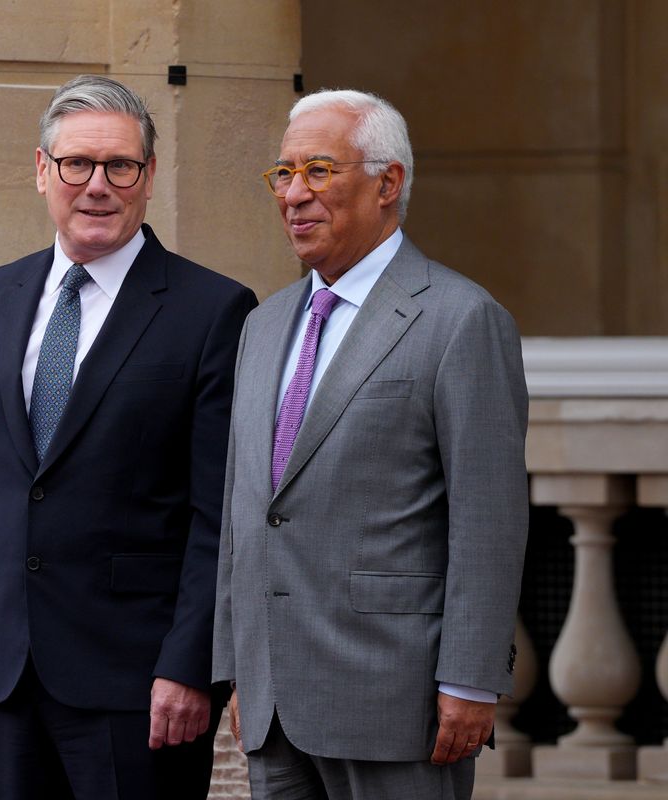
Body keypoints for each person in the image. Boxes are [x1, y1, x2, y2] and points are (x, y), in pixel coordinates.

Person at [0, 75, 258, 799]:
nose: (97, 185)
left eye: (120, 166)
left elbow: (221, 515)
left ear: (149, 176)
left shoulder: (213, 310)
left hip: (141, 684)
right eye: (77, 163)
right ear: (42, 170)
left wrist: (193, 663)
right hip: (10, 676)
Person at [213, 89, 529, 799]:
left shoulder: (461, 319)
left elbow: (489, 519)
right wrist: (238, 667)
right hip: (273, 708)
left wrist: (472, 678)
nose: (294, 194)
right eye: (283, 174)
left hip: (399, 702)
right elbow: (247, 508)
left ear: (389, 183)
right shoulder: (263, 327)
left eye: (319, 171)